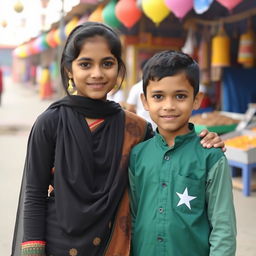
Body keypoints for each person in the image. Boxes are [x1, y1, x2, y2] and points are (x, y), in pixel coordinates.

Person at [11, 22, 225, 256]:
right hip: (58, 245)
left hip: (113, 244)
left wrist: (204, 142)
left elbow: (167, 154)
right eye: (85, 64)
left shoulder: (135, 127)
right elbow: (34, 193)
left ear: (118, 68)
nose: (97, 73)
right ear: (69, 70)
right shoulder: (51, 122)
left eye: (107, 63)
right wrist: (33, 250)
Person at [129, 50, 236, 256]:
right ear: (145, 101)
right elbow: (133, 217)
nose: (169, 106)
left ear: (196, 100)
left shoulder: (210, 156)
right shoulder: (137, 155)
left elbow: (223, 228)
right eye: (158, 96)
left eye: (180, 96)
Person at [126, 59, 157, 130]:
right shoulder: (158, 85)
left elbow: (130, 109)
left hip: (142, 126)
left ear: (141, 71)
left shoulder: (136, 87)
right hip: (158, 126)